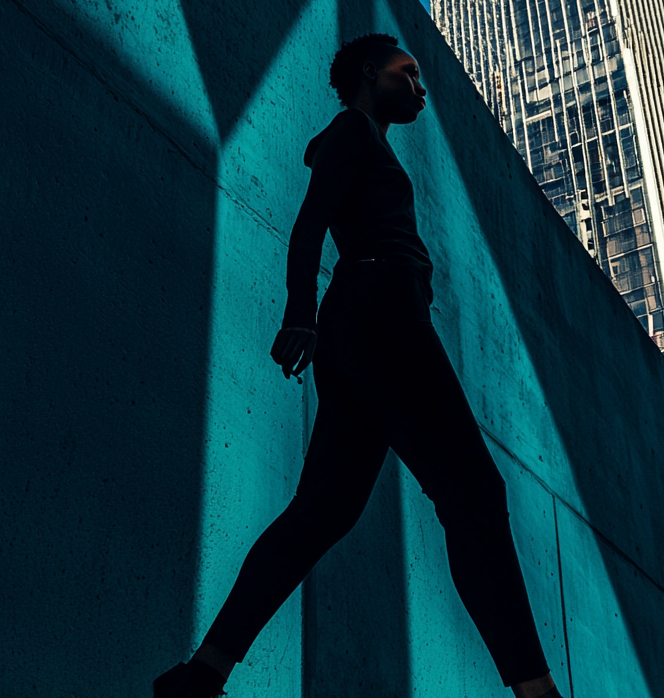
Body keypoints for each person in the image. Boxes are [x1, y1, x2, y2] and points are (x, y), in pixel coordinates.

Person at [153, 34, 563, 698]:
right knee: (474, 494)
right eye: (409, 73)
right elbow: (311, 222)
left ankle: (201, 675)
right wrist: (300, 314)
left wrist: (322, 322)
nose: (421, 87)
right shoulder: (351, 131)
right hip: (380, 317)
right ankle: (538, 694)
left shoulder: (365, 140)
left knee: (322, 512)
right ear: (372, 75)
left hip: (365, 327)